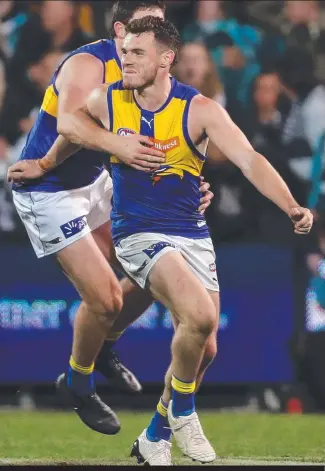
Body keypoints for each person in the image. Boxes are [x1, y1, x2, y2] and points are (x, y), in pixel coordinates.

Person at [13, 16, 313, 465]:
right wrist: (45, 163)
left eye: (137, 53)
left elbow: (249, 159)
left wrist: (291, 206)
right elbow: (71, 127)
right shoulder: (109, 99)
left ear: (166, 59)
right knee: (197, 314)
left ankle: (155, 433)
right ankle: (185, 414)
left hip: (191, 232)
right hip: (138, 234)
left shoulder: (200, 109)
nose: (126, 59)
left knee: (204, 343)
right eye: (125, 50)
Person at [7, 0, 214, 437]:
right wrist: (52, 163)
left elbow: (171, 140)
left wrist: (190, 186)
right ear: (121, 30)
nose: (156, 34)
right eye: (145, 25)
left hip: (98, 181)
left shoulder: (150, 73)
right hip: (50, 191)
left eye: (159, 25)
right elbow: (71, 124)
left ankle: (103, 348)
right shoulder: (88, 63)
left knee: (149, 269)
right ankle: (78, 382)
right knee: (107, 300)